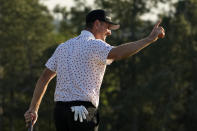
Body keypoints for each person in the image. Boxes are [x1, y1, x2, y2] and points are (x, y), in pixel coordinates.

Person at [24, 9, 165, 131]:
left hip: (60, 113)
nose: (109, 32)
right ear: (97, 24)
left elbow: (44, 78)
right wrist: (149, 39)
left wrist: (33, 108)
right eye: (108, 27)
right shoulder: (94, 45)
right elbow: (119, 53)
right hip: (83, 112)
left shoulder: (63, 47)